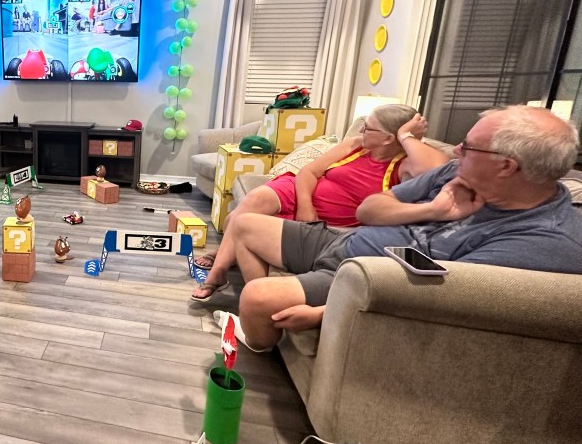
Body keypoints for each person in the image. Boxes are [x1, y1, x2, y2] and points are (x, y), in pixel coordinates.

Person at [215, 105, 582, 353]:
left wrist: (325, 312)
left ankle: (258, 344)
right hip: (345, 239)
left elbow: (443, 300)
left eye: (468, 147)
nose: (455, 150)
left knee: (257, 298)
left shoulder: (544, 241)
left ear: (506, 166)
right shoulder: (456, 175)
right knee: (244, 224)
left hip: (364, 276)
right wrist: (433, 209)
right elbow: (369, 208)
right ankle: (264, 320)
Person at [191, 105, 448, 300]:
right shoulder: (356, 145)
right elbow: (308, 172)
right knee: (255, 199)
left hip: (331, 219)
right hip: (300, 192)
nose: (361, 130)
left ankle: (229, 278)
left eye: (368, 127)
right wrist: (306, 206)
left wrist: (407, 136)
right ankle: (219, 272)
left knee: (237, 222)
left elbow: (438, 167)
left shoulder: (403, 166)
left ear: (389, 138)